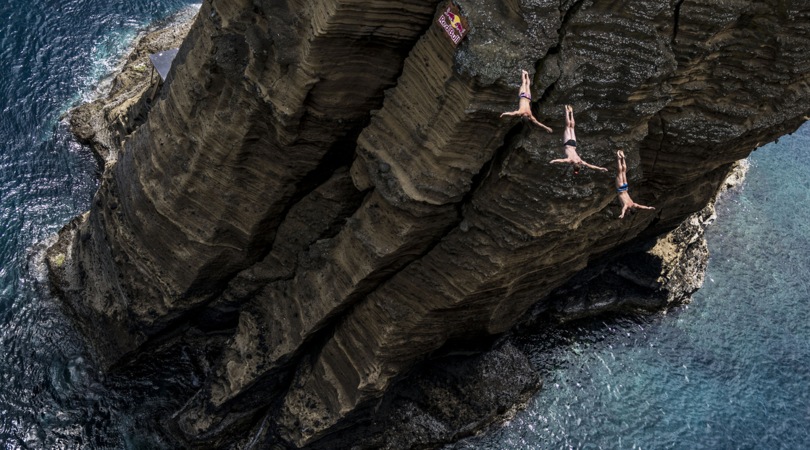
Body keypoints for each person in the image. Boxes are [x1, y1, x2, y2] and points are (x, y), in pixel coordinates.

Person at [549, 105, 607, 174]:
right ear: (573, 166)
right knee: (567, 127)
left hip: (574, 144)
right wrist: (553, 161)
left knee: (572, 127)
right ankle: (567, 111)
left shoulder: (580, 161)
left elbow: (591, 166)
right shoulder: (570, 160)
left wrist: (600, 168)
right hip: (567, 144)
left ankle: (571, 112)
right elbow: (561, 160)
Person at [615, 150, 655, 219]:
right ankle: (618, 157)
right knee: (620, 172)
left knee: (624, 172)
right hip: (621, 189)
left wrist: (648, 208)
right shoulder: (627, 205)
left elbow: (642, 207)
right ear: (630, 210)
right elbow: (624, 209)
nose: (627, 213)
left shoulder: (634, 204)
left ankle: (623, 157)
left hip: (626, 187)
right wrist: (622, 214)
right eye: (628, 213)